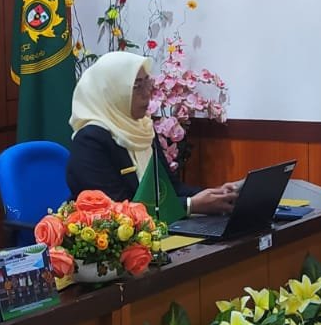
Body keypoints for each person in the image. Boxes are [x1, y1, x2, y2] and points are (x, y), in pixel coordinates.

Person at [66, 51, 237, 215]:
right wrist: (190, 205)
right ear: (112, 92)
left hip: (154, 230)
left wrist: (216, 195)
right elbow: (116, 209)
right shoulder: (90, 141)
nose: (147, 93)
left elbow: (170, 189)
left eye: (147, 82)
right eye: (137, 86)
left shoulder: (142, 127)